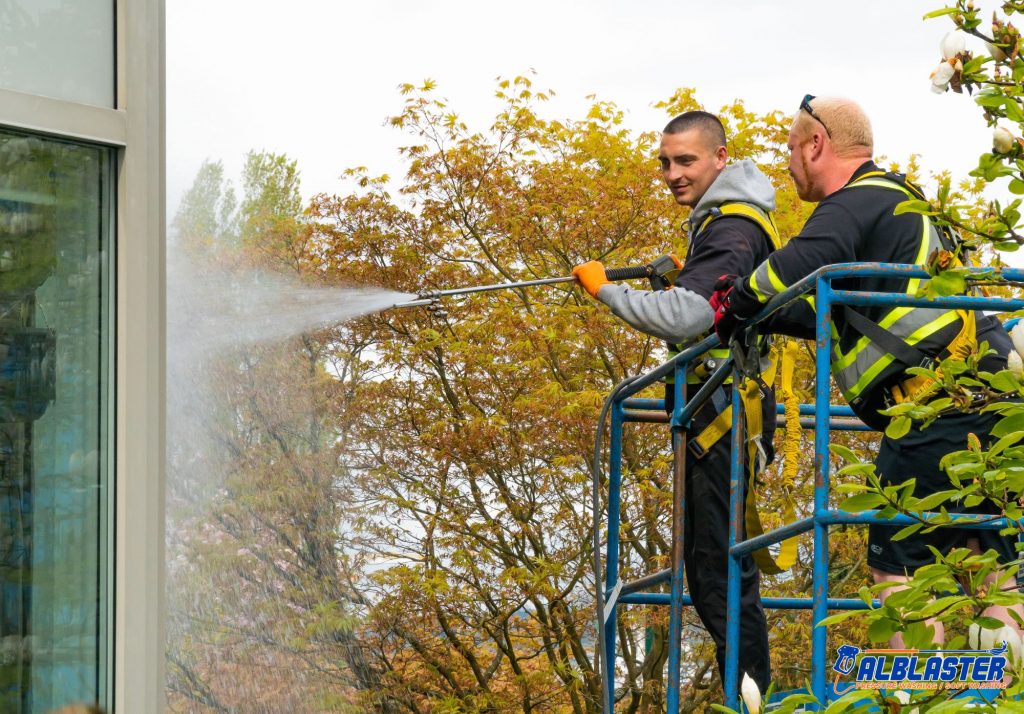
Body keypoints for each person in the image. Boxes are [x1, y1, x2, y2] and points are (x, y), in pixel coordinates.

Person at [712, 95, 1023, 645]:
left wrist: (734, 303)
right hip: (987, 401)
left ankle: (912, 697)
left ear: (817, 144)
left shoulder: (857, 200)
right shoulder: (902, 205)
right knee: (987, 567)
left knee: (895, 571)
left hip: (936, 405)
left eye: (790, 149)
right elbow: (839, 307)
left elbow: (798, 264)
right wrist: (766, 320)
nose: (787, 165)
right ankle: (1002, 695)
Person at [573, 110, 775, 692]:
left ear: (720, 158)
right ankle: (750, 689)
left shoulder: (732, 229)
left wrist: (607, 290)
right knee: (713, 562)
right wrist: (696, 278)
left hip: (721, 414)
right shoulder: (723, 226)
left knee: (717, 568)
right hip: (720, 412)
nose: (671, 173)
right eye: (664, 161)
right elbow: (712, 304)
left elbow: (688, 314)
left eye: (685, 160)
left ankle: (752, 695)